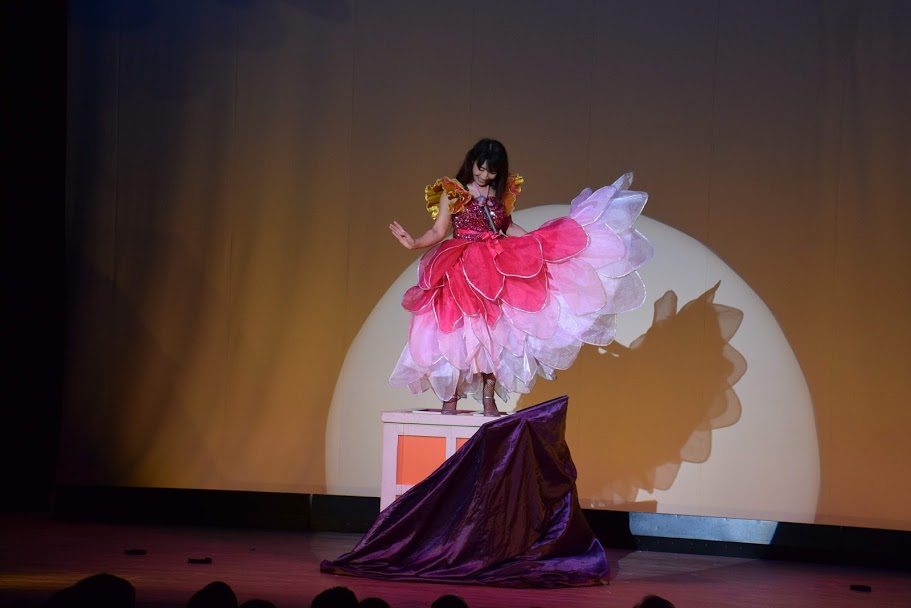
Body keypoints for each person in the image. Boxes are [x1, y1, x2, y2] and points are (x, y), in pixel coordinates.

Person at [389, 138, 651, 416]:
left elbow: (508, 226)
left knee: (496, 333)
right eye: (480, 168)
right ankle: (449, 398)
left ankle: (488, 399)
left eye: (491, 171)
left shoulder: (500, 194)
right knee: (456, 332)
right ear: (472, 162)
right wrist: (414, 242)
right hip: (460, 267)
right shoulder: (454, 192)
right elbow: (438, 231)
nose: (484, 175)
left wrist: (537, 245)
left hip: (495, 266)